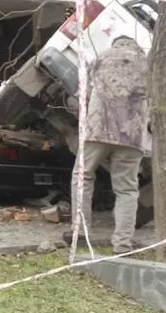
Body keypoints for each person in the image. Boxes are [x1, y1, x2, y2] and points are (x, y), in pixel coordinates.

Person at [64, 36, 150, 254]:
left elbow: (84, 92)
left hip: (98, 130)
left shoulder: (101, 58)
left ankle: (80, 231)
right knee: (126, 189)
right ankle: (122, 244)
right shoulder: (146, 64)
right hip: (131, 136)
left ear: (115, 44)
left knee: (82, 176)